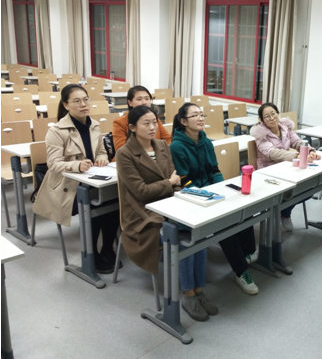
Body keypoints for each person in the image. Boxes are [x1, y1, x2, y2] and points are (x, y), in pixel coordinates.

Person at [116, 105, 218, 322]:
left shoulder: (162, 145)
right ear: (132, 127)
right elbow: (141, 191)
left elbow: (177, 181)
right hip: (144, 213)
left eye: (154, 122)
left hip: (170, 203)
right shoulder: (124, 154)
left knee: (197, 228)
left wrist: (180, 193)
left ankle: (199, 289)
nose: (152, 127)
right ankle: (188, 294)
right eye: (146, 123)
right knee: (181, 236)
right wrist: (169, 183)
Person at [170, 102, 259, 295]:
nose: (201, 118)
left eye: (202, 114)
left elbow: (214, 170)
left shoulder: (206, 142)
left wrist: (220, 189)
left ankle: (248, 254)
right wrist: (206, 195)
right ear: (184, 121)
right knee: (223, 223)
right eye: (195, 115)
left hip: (212, 191)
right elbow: (183, 180)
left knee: (242, 210)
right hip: (192, 196)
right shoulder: (176, 146)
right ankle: (241, 271)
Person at [33, 84, 120, 274]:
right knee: (94, 205)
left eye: (86, 100)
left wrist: (102, 158)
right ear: (66, 105)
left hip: (93, 179)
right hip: (67, 186)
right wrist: (76, 165)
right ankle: (91, 255)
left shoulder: (94, 125)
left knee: (115, 200)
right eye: (77, 101)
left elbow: (101, 151)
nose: (83, 104)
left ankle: (107, 248)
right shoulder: (57, 131)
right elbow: (53, 164)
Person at [250, 102, 320, 230]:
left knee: (309, 189)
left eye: (273, 114)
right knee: (294, 191)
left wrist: (309, 151)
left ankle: (284, 211)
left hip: (286, 168)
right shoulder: (260, 134)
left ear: (278, 113)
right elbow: (273, 153)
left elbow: (297, 142)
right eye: (267, 116)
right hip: (269, 172)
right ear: (262, 120)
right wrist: (297, 155)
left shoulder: (285, 128)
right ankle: (283, 212)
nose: (272, 118)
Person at [112, 85, 171, 152]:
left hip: (156, 154)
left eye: (147, 99)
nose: (144, 102)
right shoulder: (120, 122)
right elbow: (121, 148)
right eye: (139, 99)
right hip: (132, 157)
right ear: (130, 103)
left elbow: (167, 139)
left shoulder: (153, 118)